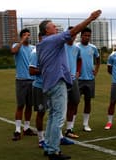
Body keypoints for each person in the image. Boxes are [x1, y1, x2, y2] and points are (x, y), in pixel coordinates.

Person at [37, 10, 101, 160]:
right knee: (58, 117)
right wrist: (91, 18)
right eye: (53, 27)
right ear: (47, 30)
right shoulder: (52, 40)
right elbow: (74, 30)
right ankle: (53, 150)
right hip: (57, 83)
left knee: (53, 116)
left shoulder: (41, 44)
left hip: (49, 84)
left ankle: (48, 146)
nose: (56, 29)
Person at [11, 28, 36, 141]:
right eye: (25, 34)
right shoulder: (17, 45)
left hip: (32, 80)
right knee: (20, 105)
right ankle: (17, 130)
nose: (27, 36)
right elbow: (14, 51)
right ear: (21, 36)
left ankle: (26, 128)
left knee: (29, 106)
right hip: (21, 80)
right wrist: (21, 41)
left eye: (29, 35)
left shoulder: (33, 48)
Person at [76, 27, 101, 132]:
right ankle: (70, 125)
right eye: (85, 35)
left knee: (88, 101)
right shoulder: (76, 47)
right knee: (74, 102)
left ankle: (86, 124)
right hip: (78, 79)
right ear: (81, 36)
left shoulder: (93, 48)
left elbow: (98, 59)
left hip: (90, 79)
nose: (87, 37)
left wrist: (96, 70)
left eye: (88, 36)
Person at [29, 33, 47, 148]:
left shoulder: (50, 50)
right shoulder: (36, 52)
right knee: (41, 113)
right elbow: (31, 71)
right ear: (40, 38)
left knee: (55, 113)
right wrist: (46, 70)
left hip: (52, 86)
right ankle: (41, 139)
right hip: (40, 87)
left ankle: (57, 136)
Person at [64, 26, 81, 138]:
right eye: (71, 34)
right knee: (60, 105)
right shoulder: (61, 46)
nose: (73, 36)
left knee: (75, 101)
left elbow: (79, 59)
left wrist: (78, 71)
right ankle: (57, 129)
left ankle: (69, 128)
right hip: (62, 80)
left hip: (73, 80)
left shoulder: (76, 48)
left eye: (74, 34)